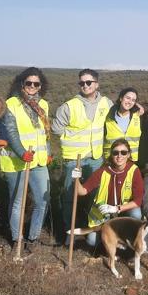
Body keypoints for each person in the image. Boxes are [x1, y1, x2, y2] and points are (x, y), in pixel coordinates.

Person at [52, 69, 113, 236]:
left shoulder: (107, 103)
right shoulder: (69, 106)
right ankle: (68, 232)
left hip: (96, 158)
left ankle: (93, 232)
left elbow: (117, 119)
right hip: (74, 159)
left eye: (89, 82)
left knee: (96, 195)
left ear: (97, 84)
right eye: (82, 83)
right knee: (70, 196)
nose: (85, 85)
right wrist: (71, 137)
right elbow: (56, 129)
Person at [0, 67, 52, 251]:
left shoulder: (43, 104)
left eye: (36, 84)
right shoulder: (11, 104)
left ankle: (33, 238)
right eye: (28, 83)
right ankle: (17, 240)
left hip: (38, 161)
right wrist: (22, 152)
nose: (32, 86)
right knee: (18, 202)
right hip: (16, 161)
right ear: (22, 83)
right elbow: (11, 132)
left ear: (40, 86)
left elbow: (45, 132)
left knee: (42, 201)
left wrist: (49, 152)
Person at [74, 139, 143, 246]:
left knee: (136, 213)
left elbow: (138, 201)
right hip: (105, 216)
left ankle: (129, 243)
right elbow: (82, 191)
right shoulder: (103, 171)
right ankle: (110, 243)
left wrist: (117, 208)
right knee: (92, 241)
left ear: (128, 154)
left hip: (123, 213)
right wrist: (76, 179)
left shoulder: (134, 170)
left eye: (123, 152)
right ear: (111, 155)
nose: (119, 156)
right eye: (116, 153)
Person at [104, 87, 142, 163]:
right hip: (111, 160)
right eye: (127, 98)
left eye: (133, 100)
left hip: (132, 160)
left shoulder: (138, 116)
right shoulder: (108, 116)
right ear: (121, 98)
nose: (129, 102)